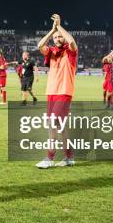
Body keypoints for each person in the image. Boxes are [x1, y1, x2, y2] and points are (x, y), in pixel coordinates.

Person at [35, 13, 78, 169]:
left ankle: (49, 157)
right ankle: (69, 157)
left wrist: (59, 26)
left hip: (64, 92)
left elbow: (72, 41)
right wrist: (52, 31)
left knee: (52, 124)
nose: (58, 39)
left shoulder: (71, 52)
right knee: (60, 126)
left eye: (60, 37)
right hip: (52, 92)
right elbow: (40, 46)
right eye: (56, 38)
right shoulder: (52, 52)